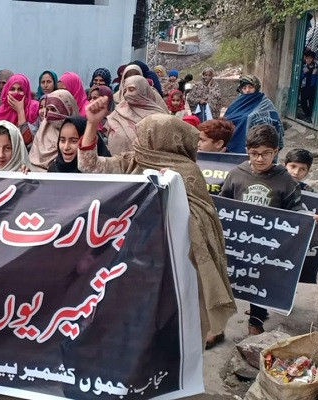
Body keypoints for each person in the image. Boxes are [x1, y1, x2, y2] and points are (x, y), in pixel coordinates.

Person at [78, 96, 237, 349]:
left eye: (143, 136)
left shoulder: (186, 172)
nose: (136, 141)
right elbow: (90, 166)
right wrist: (91, 125)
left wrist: (169, 193)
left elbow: (200, 219)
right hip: (131, 261)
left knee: (167, 330)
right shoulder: (134, 161)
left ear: (159, 141)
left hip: (170, 267)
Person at [220, 124, 309, 335]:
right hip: (236, 241)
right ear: (247, 150)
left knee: (260, 282)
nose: (260, 159)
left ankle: (256, 322)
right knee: (225, 281)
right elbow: (223, 203)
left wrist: (305, 217)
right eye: (254, 153)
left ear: (276, 151)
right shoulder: (236, 174)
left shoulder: (284, 179)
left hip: (267, 245)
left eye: (266, 153)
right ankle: (217, 327)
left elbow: (294, 206)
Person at [105, 76, 168, 155]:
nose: (127, 94)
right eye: (125, 91)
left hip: (149, 164)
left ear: (143, 90)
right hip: (118, 163)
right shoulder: (117, 112)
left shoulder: (158, 114)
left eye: (131, 90)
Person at [224, 75, 284, 154]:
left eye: (250, 87)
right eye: (244, 88)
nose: (247, 90)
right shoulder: (237, 102)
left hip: (256, 144)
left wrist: (253, 120)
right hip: (231, 144)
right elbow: (227, 118)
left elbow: (273, 120)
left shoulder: (264, 102)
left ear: (256, 87)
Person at [29, 89, 80, 171]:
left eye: (53, 109)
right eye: (48, 109)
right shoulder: (43, 129)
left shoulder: (80, 130)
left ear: (68, 109)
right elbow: (32, 161)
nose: (49, 114)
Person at [0, 73, 38, 142]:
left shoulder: (35, 108)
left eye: (20, 89)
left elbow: (27, 140)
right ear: (7, 91)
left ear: (26, 91)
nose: (16, 93)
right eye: (12, 89)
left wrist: (20, 111)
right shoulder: (0, 112)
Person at [299, 49, 318, 121]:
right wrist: (304, 73)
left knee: (311, 103)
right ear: (305, 59)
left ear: (313, 59)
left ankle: (309, 117)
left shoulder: (316, 67)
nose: (308, 60)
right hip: (304, 87)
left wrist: (314, 74)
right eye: (307, 58)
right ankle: (307, 115)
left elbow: (317, 80)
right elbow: (300, 77)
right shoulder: (304, 67)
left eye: (310, 58)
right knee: (303, 103)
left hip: (312, 88)